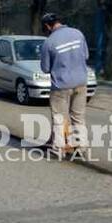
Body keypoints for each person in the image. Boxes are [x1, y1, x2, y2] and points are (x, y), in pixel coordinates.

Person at [39, 13, 90, 153]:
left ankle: (58, 147)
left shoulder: (49, 42)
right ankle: (81, 147)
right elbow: (86, 56)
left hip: (61, 85)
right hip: (81, 82)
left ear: (47, 26)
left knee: (59, 117)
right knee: (78, 116)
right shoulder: (78, 33)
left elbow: (45, 68)